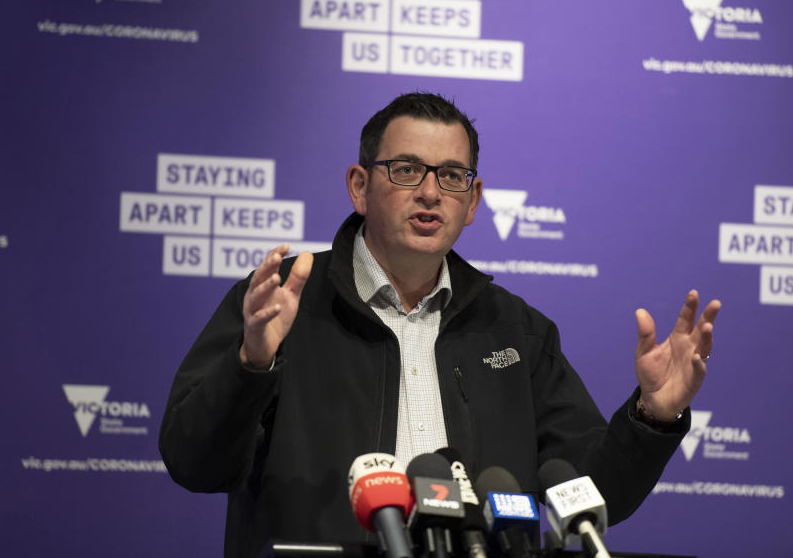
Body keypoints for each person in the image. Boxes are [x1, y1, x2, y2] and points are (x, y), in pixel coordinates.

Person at [159, 92, 721, 558]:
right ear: (360, 185)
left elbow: (591, 495)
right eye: (406, 170)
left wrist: (653, 416)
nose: (430, 192)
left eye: (452, 176)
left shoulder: (517, 332)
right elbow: (194, 463)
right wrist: (252, 366)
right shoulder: (281, 305)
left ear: (473, 200)